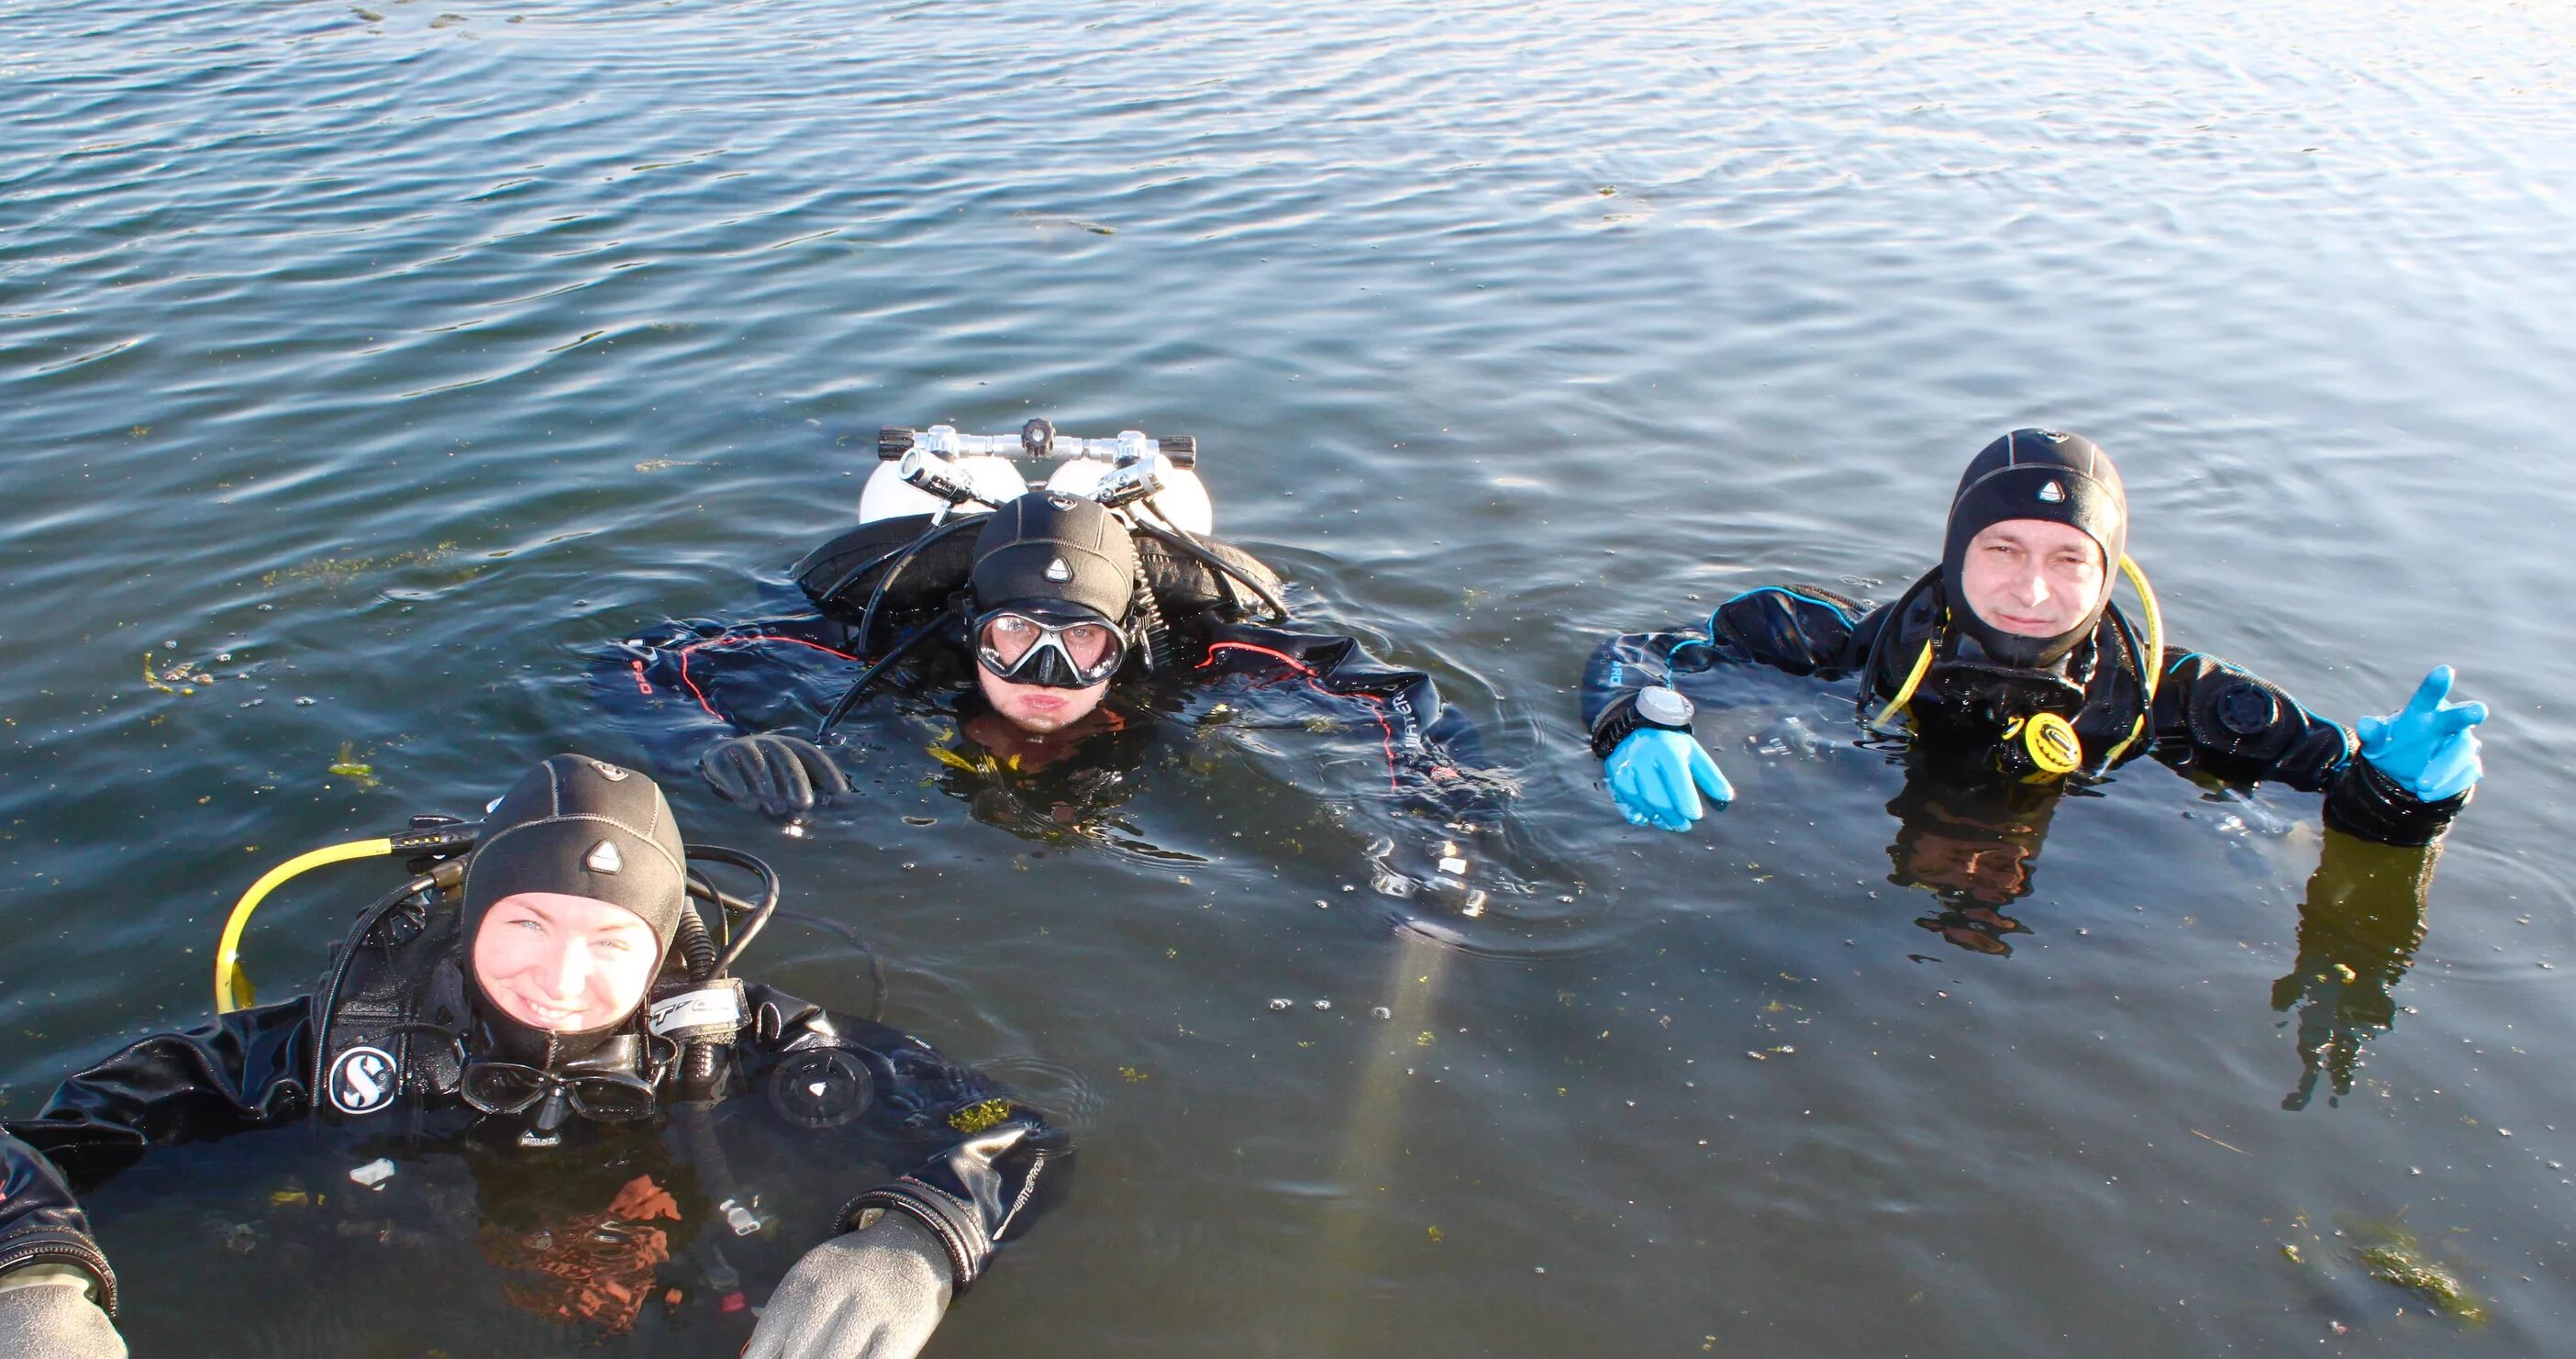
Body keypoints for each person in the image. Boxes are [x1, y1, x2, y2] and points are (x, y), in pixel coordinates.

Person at [0, 755, 1067, 1359]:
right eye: (524, 923)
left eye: (610, 939)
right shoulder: (339, 1040)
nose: (562, 978)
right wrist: (28, 1283)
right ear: (470, 915)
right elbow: (48, 1138)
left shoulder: (741, 1036)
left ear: (669, 943)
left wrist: (914, 1237)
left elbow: (1013, 1131)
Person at [1580, 429, 2488, 854]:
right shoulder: (1851, 655)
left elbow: (2342, 799)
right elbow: (1641, 652)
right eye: (2003, 549)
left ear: (2110, 574)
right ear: (1955, 553)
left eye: (2069, 559)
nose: (2033, 586)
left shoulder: (2179, 703)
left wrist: (2403, 800)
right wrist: (1639, 718)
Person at [611, 485, 1509, 898]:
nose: (1045, 679)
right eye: (1015, 638)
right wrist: (700, 740)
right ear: (971, 632)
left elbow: (1393, 692)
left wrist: (1438, 800)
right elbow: (644, 659)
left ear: (1129, 643)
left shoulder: (1190, 652)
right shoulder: (904, 651)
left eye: (1082, 643)